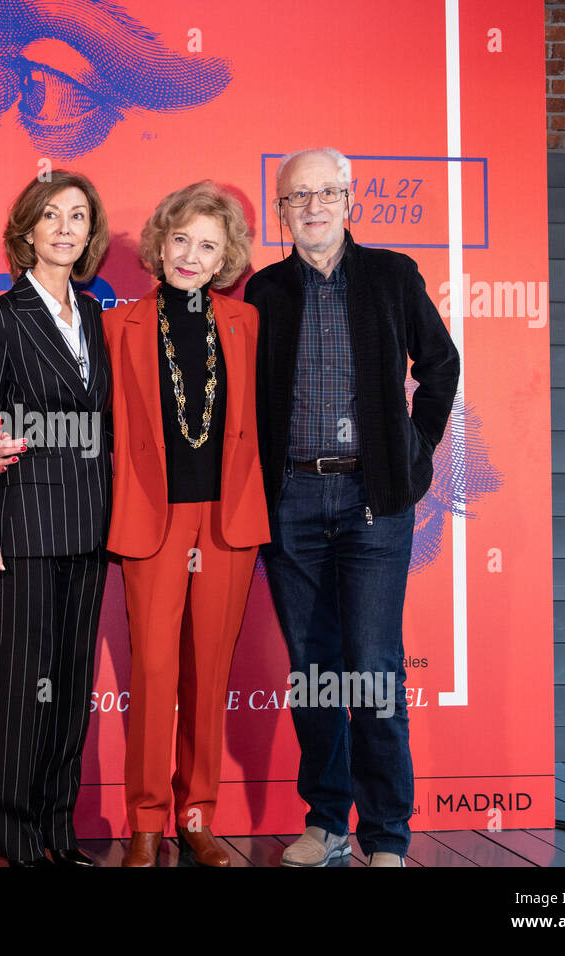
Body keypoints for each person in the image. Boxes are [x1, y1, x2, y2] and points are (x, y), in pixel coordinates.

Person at [244, 147, 460, 867]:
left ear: (350, 199)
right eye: (297, 197)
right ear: (281, 211)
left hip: (374, 501)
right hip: (292, 502)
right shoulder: (264, 291)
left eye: (326, 193)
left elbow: (441, 365)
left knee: (372, 668)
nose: (312, 207)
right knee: (313, 667)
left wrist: (414, 451)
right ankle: (327, 822)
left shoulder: (392, 276)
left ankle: (387, 837)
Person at [102, 181, 268, 866]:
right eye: (181, 240)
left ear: (227, 255)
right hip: (153, 519)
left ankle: (196, 813)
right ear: (159, 244)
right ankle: (145, 820)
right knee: (157, 670)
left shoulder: (248, 324)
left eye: (208, 245)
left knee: (209, 676)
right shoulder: (119, 325)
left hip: (228, 522)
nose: (191, 256)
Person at [0, 170, 112, 867]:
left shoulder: (98, 316)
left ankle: (58, 827)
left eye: (76, 217)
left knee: (73, 685)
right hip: (25, 522)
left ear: (89, 234)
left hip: (92, 520)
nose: (63, 227)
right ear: (26, 231)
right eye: (50, 215)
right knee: (28, 683)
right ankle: (14, 833)